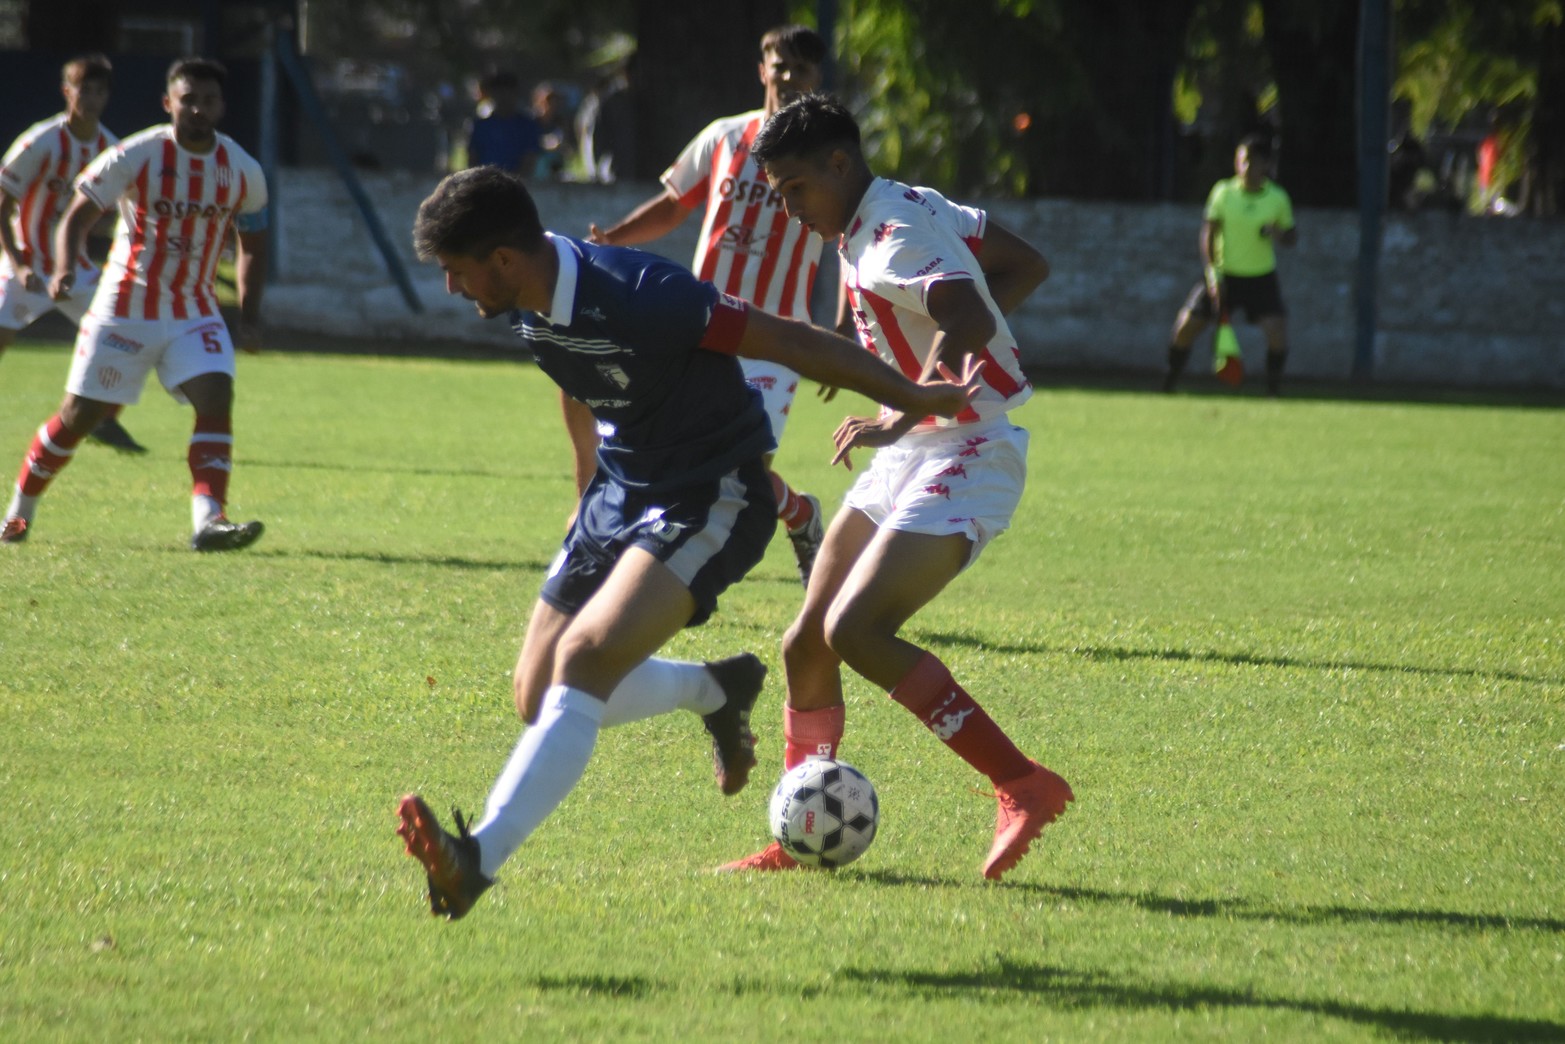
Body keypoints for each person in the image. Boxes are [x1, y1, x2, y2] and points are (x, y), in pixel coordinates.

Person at [394, 165, 982, 920]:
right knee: (537, 694)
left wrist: (911, 395)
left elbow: (788, 340)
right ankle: (716, 688)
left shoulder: (642, 293)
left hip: (710, 493)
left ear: (503, 260)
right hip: (618, 494)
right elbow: (576, 379)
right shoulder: (524, 300)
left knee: (582, 661)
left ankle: (476, 860)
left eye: (456, 272)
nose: (452, 289)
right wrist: (587, 492)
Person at [714, 94, 1069, 882]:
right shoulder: (896, 204)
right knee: (805, 640)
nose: (791, 208)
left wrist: (905, 404)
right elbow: (1022, 265)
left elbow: (967, 311)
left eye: (797, 188)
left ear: (839, 164)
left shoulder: (891, 232)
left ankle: (1022, 783)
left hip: (967, 451)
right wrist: (894, 371)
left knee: (855, 631)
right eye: (778, 195)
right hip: (920, 447)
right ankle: (799, 832)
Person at [590, 25, 831, 585]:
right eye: (780, 64)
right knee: (693, 463)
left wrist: (844, 324)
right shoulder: (724, 137)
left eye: (802, 68)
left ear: (818, 79)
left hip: (779, 338)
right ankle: (799, 514)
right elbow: (676, 204)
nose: (789, 77)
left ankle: (686, 569)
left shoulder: (827, 157)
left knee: (741, 471)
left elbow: (849, 235)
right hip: (703, 328)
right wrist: (614, 240)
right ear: (762, 69)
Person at [1, 57, 269, 550]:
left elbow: (252, 244)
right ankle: (18, 513)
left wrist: (249, 317)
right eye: (187, 99)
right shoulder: (137, 153)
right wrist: (63, 266)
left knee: (216, 397)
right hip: (124, 307)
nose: (198, 109)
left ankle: (209, 520)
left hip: (194, 309)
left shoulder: (242, 169)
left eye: (208, 100)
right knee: (80, 417)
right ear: (168, 103)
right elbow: (78, 215)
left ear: (222, 107)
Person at [0, 53, 146, 454]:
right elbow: (3, 204)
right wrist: (17, 262)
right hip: (25, 265)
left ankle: (103, 420)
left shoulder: (113, 150)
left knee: (123, 337)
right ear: (67, 91)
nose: (92, 99)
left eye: (101, 92)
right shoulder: (41, 141)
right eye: (85, 90)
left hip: (76, 271)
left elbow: (126, 216)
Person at [1163, 133, 1297, 397]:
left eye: (1252, 162)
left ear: (1265, 165)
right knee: (1184, 327)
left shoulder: (1277, 198)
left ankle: (1273, 392)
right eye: (1241, 161)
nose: (1245, 168)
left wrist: (1278, 234)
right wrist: (1213, 275)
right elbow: (1208, 235)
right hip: (1224, 275)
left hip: (1260, 277)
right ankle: (1169, 384)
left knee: (1277, 332)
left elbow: (1291, 236)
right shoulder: (1223, 193)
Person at [466, 70, 542, 177]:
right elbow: (472, 159)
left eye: (508, 92)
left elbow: (530, 159)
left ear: (516, 94)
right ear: (492, 94)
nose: (504, 98)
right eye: (499, 93)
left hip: (516, 185)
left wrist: (513, 182)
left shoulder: (527, 126)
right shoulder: (480, 126)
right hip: (484, 184)